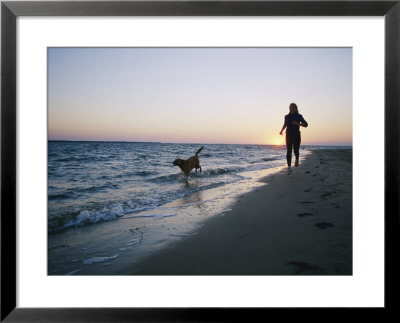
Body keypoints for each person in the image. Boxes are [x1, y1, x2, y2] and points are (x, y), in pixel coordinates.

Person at [279, 103, 308, 167]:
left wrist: (298, 123)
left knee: (296, 150)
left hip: (296, 135)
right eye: (290, 108)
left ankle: (297, 159)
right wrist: (281, 130)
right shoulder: (286, 116)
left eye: (292, 108)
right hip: (288, 135)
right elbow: (285, 124)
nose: (291, 109)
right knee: (288, 151)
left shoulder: (299, 116)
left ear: (296, 109)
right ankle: (289, 167)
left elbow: (306, 124)